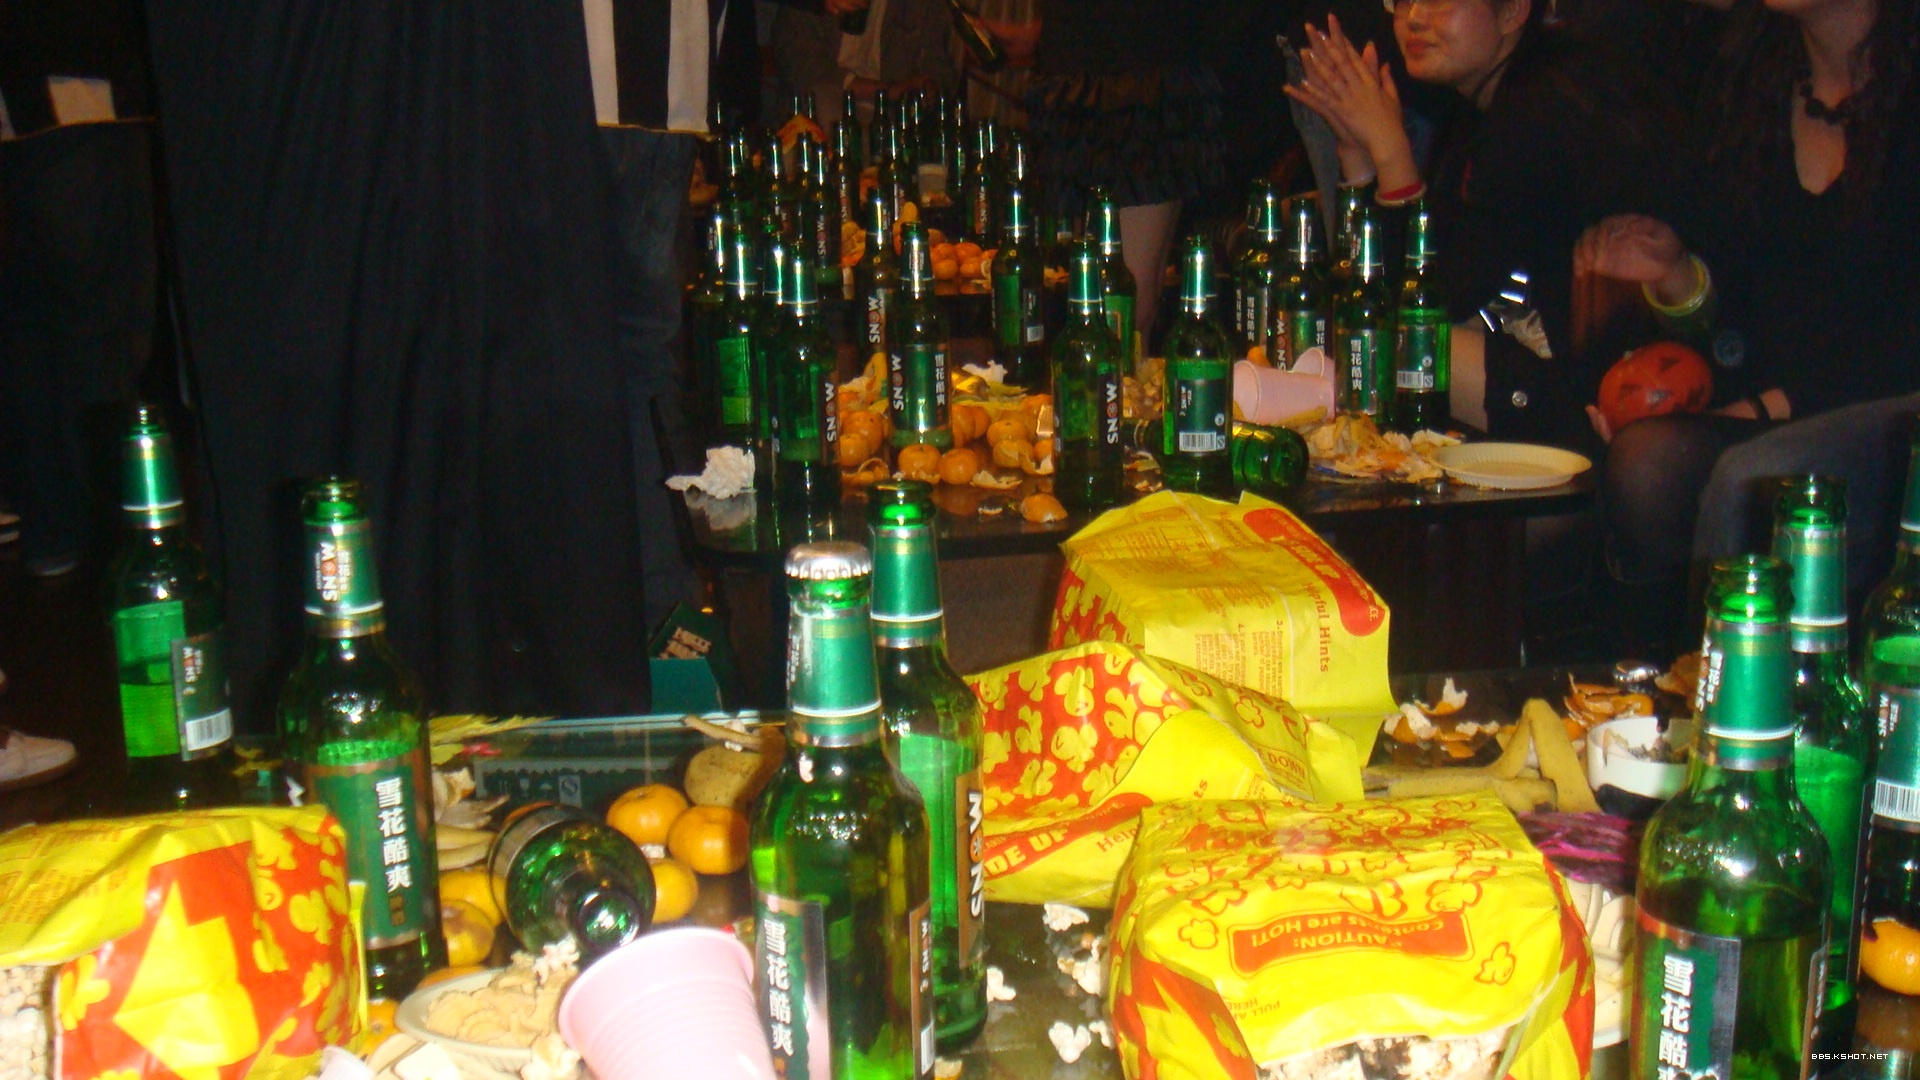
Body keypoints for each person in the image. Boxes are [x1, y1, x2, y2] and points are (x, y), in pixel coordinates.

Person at [143, 1, 654, 723]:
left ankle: (524, 729)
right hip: (298, 82)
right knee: (313, 376)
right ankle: (336, 723)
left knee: (509, 358)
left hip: (469, 61)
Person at [1575, 0, 1920, 651]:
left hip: (1888, 419)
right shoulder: (1752, 78)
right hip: (1766, 409)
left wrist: (1764, 406)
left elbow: (1897, 340)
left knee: (1728, 472)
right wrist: (1677, 277)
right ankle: (1647, 687)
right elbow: (1738, 321)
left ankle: (1707, 689)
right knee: (1639, 451)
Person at [1285, 0, 1668, 448]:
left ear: (1512, 12)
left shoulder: (1542, 111)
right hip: (1546, 369)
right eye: (1404, 0)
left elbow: (1438, 297)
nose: (1414, 18)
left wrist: (1390, 149)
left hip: (1595, 408)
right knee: (1365, 332)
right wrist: (1357, 153)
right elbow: (1391, 280)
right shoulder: (1481, 108)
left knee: (1389, 342)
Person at [0, 0, 158, 578]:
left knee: (30, 328)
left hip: (27, 97)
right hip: (81, 86)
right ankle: (115, 546)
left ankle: (57, 531)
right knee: (100, 332)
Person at [1016, 0, 1227, 347]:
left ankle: (1113, 381)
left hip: (1138, 67)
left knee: (1123, 302)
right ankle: (1113, 380)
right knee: (1106, 296)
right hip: (1085, 62)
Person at [771, 0, 956, 130]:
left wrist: (928, 87)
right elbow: (801, 67)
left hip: (890, 118)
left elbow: (938, 65)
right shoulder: (811, 5)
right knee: (824, 107)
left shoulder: (921, 6)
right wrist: (888, 91)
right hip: (824, 109)